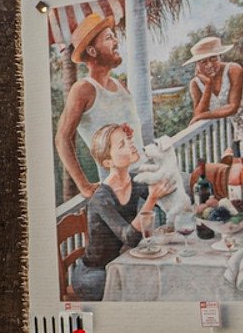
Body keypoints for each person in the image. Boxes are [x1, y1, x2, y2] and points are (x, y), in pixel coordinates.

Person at [70, 122, 169, 301]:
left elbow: (165, 199)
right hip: (94, 275)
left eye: (128, 139)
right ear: (108, 162)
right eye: (122, 144)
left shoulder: (135, 181)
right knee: (143, 287)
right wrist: (152, 199)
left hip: (122, 263)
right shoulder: (101, 198)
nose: (131, 144)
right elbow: (130, 236)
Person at [54, 10, 136, 200]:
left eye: (114, 37)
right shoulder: (84, 89)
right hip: (118, 189)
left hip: (144, 178)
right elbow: (62, 138)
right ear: (92, 51)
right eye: (109, 38)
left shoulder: (120, 86)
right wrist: (84, 186)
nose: (116, 42)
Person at [185, 35, 243, 124]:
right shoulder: (195, 83)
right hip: (233, 127)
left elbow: (233, 107)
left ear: (220, 57)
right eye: (203, 61)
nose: (209, 65)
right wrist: (208, 85)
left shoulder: (234, 69)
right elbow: (198, 113)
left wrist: (201, 116)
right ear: (197, 64)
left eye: (213, 58)